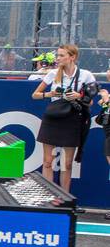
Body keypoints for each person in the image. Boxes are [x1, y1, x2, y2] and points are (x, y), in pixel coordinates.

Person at [31, 44, 96, 192]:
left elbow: (91, 101)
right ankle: (48, 194)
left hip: (72, 119)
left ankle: (63, 196)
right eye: (57, 55)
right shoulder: (53, 74)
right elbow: (35, 95)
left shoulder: (85, 75)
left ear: (72, 57)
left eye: (61, 55)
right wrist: (50, 94)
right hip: (53, 117)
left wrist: (78, 96)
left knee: (67, 164)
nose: (58, 58)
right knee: (47, 161)